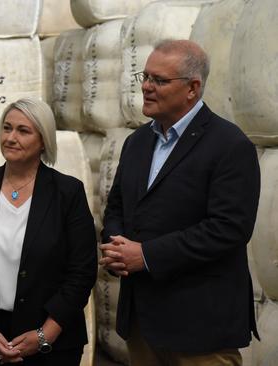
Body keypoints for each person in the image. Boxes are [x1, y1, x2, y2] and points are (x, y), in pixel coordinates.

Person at [100, 39, 260, 366]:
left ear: (192, 88)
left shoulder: (229, 145)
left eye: (158, 80)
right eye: (144, 77)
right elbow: (117, 206)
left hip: (200, 330)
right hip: (143, 324)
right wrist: (115, 246)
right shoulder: (137, 142)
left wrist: (146, 256)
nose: (146, 86)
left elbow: (228, 229)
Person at [0, 97, 97, 365]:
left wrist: (44, 335)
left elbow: (82, 273)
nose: (11, 137)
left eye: (23, 131)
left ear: (43, 140)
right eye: (7, 128)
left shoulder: (67, 193)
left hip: (52, 346)